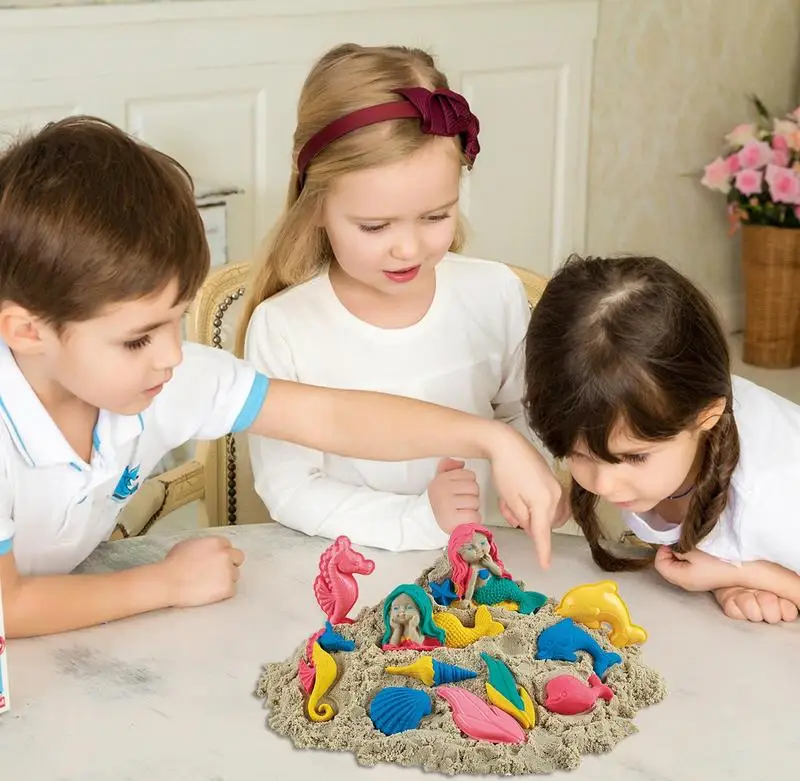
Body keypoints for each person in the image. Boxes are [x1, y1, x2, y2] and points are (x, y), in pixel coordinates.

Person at [0, 115, 564, 638]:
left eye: (177, 320)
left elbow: (332, 415)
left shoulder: (168, 378)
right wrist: (162, 584)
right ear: (26, 332)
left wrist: (494, 438)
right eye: (138, 338)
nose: (172, 354)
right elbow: (8, 606)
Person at [238, 43, 562, 553]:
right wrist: (417, 519)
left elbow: (529, 414)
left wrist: (534, 477)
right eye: (374, 226)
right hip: (358, 574)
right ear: (315, 205)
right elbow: (290, 487)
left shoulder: (493, 293)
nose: (408, 248)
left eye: (436, 217)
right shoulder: (285, 327)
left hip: (494, 562)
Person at [523, 253, 800, 624]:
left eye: (635, 457)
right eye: (579, 454)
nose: (603, 484)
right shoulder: (648, 415)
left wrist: (741, 574)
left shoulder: (775, 494)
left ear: (707, 416)